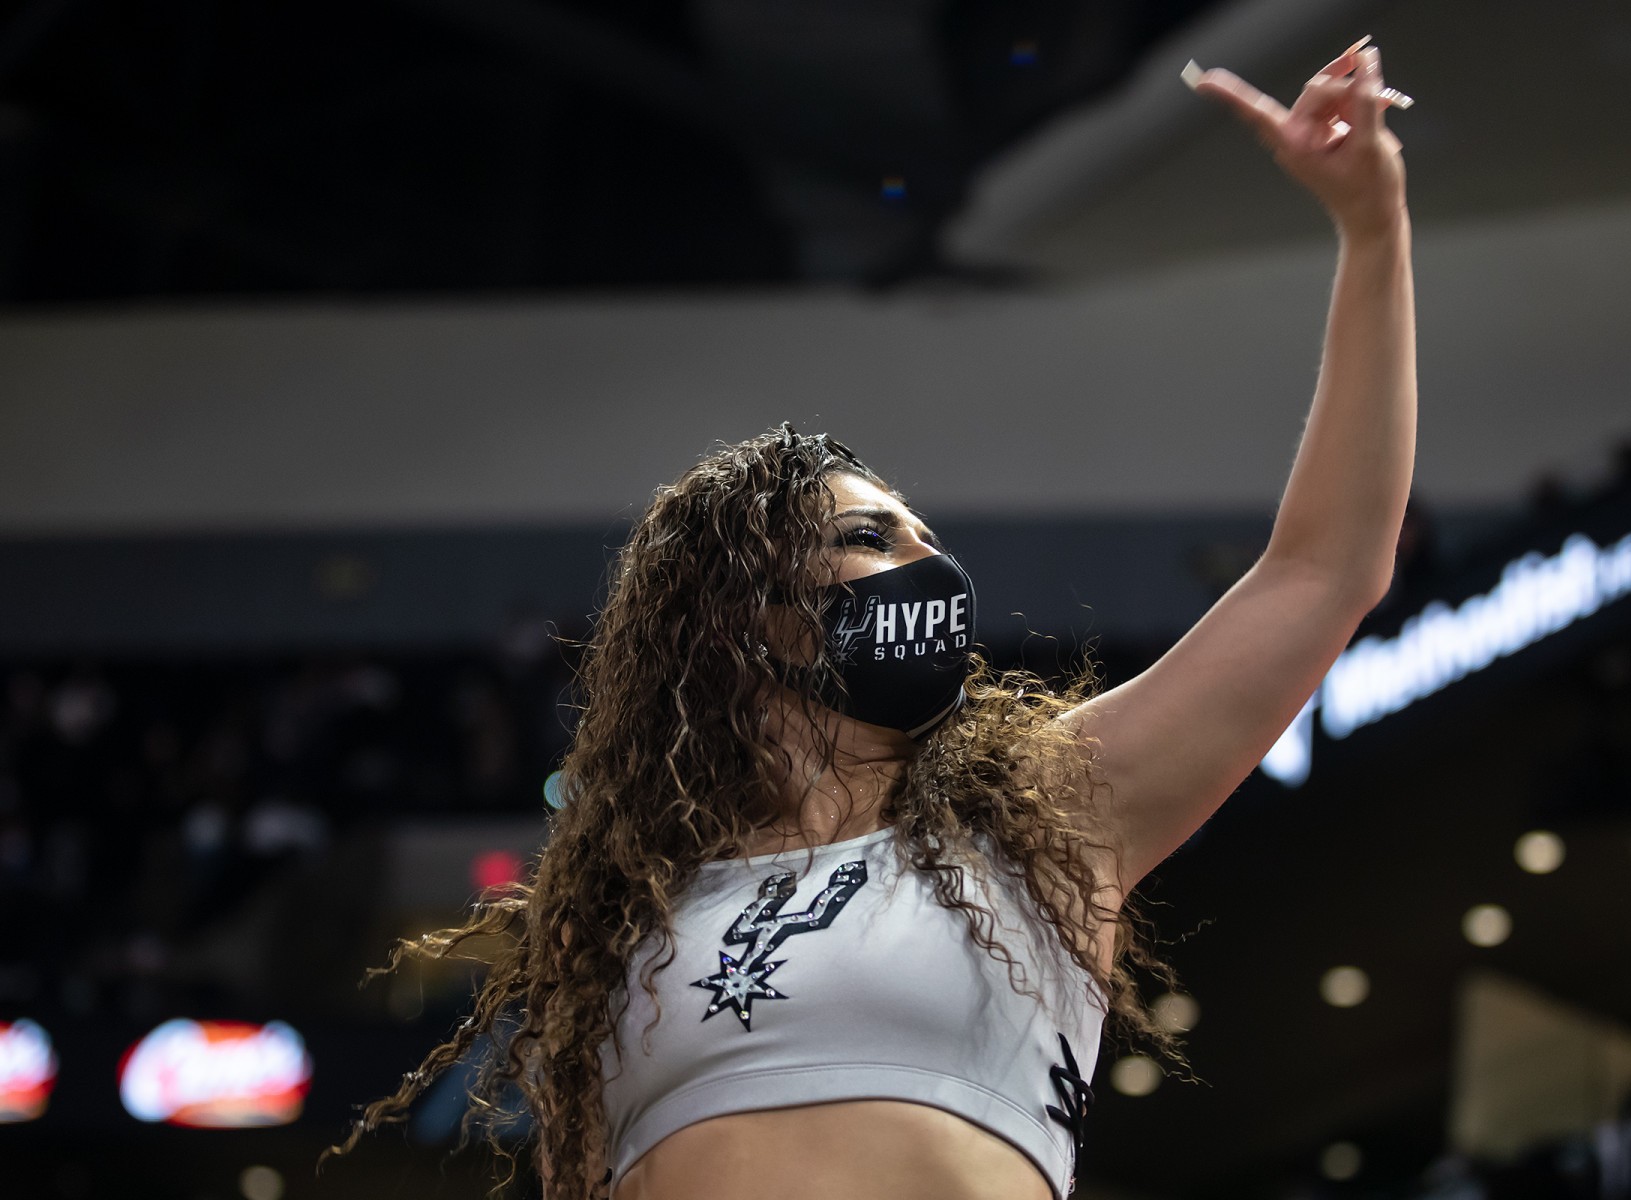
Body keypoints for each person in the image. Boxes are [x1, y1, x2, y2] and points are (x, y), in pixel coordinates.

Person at [324, 36, 1416, 1200]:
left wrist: (1372, 232)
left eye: (924, 537)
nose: (926, 565)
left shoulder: (1041, 822)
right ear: (751, 621)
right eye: (870, 538)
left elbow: (1321, 572)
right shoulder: (619, 928)